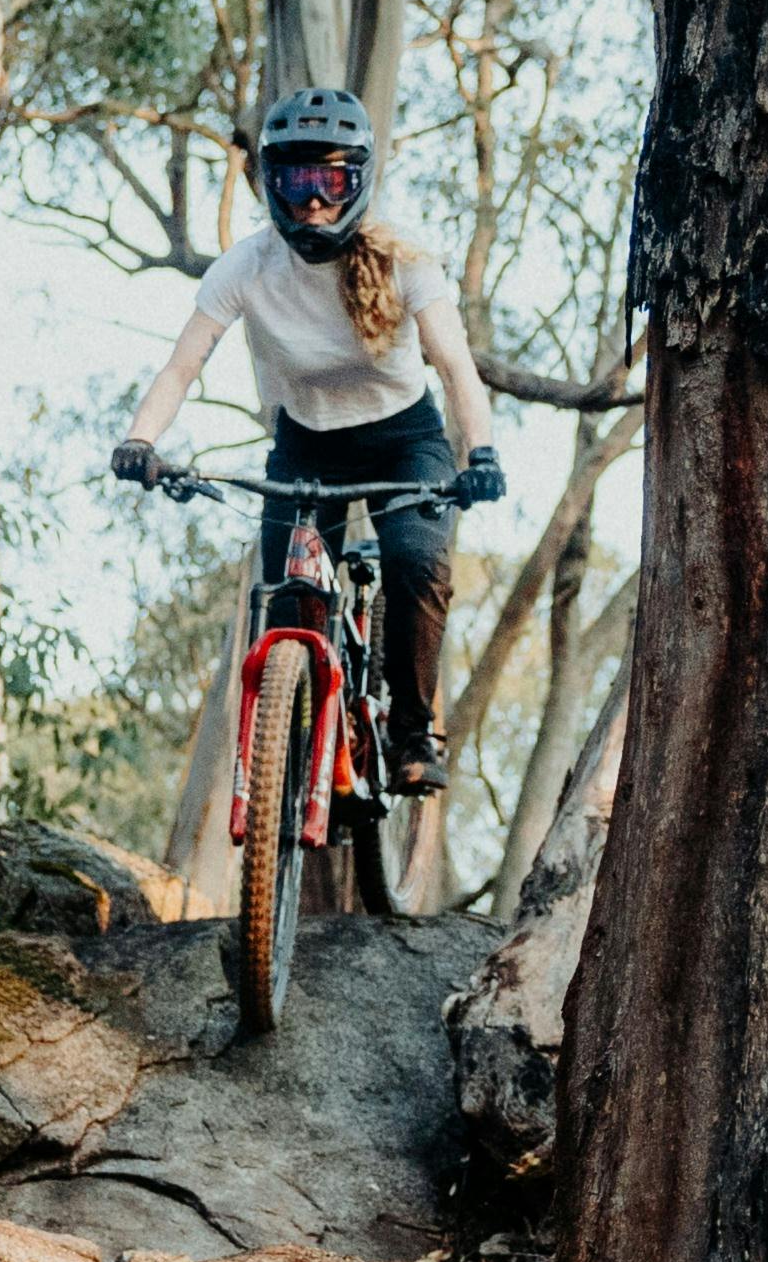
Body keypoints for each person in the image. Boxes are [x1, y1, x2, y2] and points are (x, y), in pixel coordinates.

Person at [113, 86, 505, 793]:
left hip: (404, 442)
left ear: (357, 181)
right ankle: (295, 752)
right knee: (290, 600)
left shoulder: (403, 262)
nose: (313, 201)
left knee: (417, 565)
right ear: (273, 185)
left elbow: (455, 366)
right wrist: (141, 439)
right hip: (305, 445)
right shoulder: (248, 266)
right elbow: (182, 366)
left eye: (330, 180)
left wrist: (479, 453)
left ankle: (412, 734)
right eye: (296, 181)